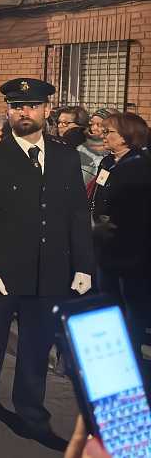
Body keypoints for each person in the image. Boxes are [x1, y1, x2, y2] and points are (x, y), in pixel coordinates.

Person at [0, 78, 94, 450]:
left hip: (50, 273)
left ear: (46, 110)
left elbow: (76, 214)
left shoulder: (66, 155)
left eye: (32, 106)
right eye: (17, 106)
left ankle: (32, 417)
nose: (24, 113)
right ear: (8, 111)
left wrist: (83, 264)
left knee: (35, 350)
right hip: (1, 274)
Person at [90, 112, 150, 352]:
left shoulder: (139, 167)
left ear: (127, 136)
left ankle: (130, 354)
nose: (103, 135)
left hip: (130, 253)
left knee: (130, 308)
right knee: (108, 303)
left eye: (109, 132)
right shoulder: (108, 163)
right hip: (106, 249)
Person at [80, 109, 114, 189]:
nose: (94, 128)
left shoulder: (115, 150)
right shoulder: (81, 148)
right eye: (92, 124)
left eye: (99, 125)